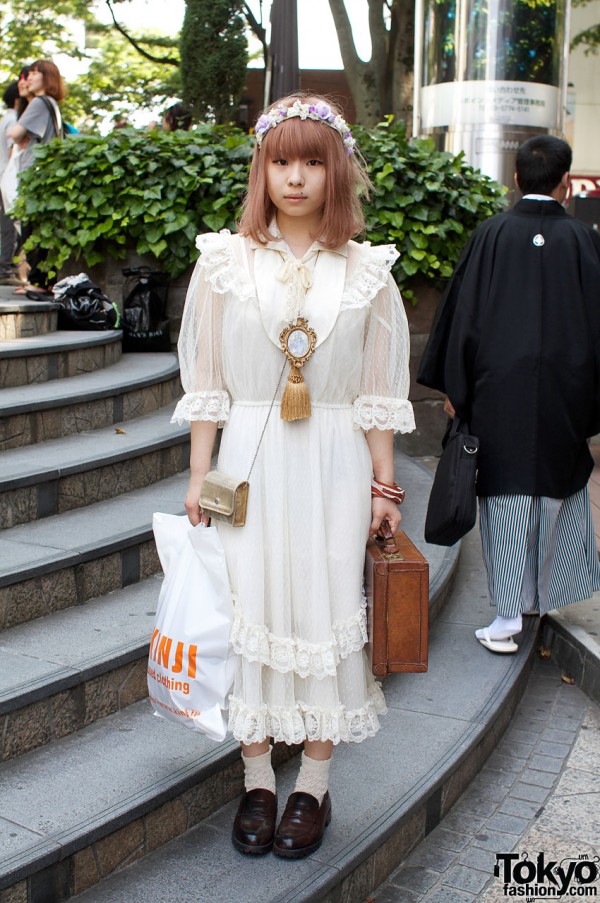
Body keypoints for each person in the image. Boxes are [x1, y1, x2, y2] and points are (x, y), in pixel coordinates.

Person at [173, 93, 415, 858]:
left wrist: (384, 488)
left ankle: (312, 784)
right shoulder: (223, 262)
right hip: (243, 457)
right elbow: (207, 380)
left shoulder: (368, 271)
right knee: (244, 609)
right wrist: (197, 476)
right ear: (262, 169)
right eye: (282, 161)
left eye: (314, 161)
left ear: (336, 170)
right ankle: (257, 779)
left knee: (323, 610)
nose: (297, 177)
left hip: (335, 465)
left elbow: (379, 393)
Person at [417, 134, 600, 655]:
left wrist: (459, 387)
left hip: (499, 390)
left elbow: (464, 315)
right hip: (567, 390)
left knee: (504, 499)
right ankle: (544, 597)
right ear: (566, 183)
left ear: (516, 179)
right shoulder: (583, 240)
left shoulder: (491, 234)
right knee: (558, 491)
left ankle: (505, 615)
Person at [7, 59, 66, 294]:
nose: (28, 78)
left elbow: (15, 133)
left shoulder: (41, 102)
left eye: (34, 73)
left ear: (47, 77)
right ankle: (42, 281)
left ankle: (39, 282)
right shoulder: (47, 103)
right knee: (39, 230)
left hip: (36, 175)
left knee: (33, 230)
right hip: (45, 174)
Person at [0, 81, 22, 286]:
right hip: (7, 178)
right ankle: (5, 269)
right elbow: (11, 150)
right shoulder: (14, 119)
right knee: (11, 225)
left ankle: (6, 267)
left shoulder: (4, 118)